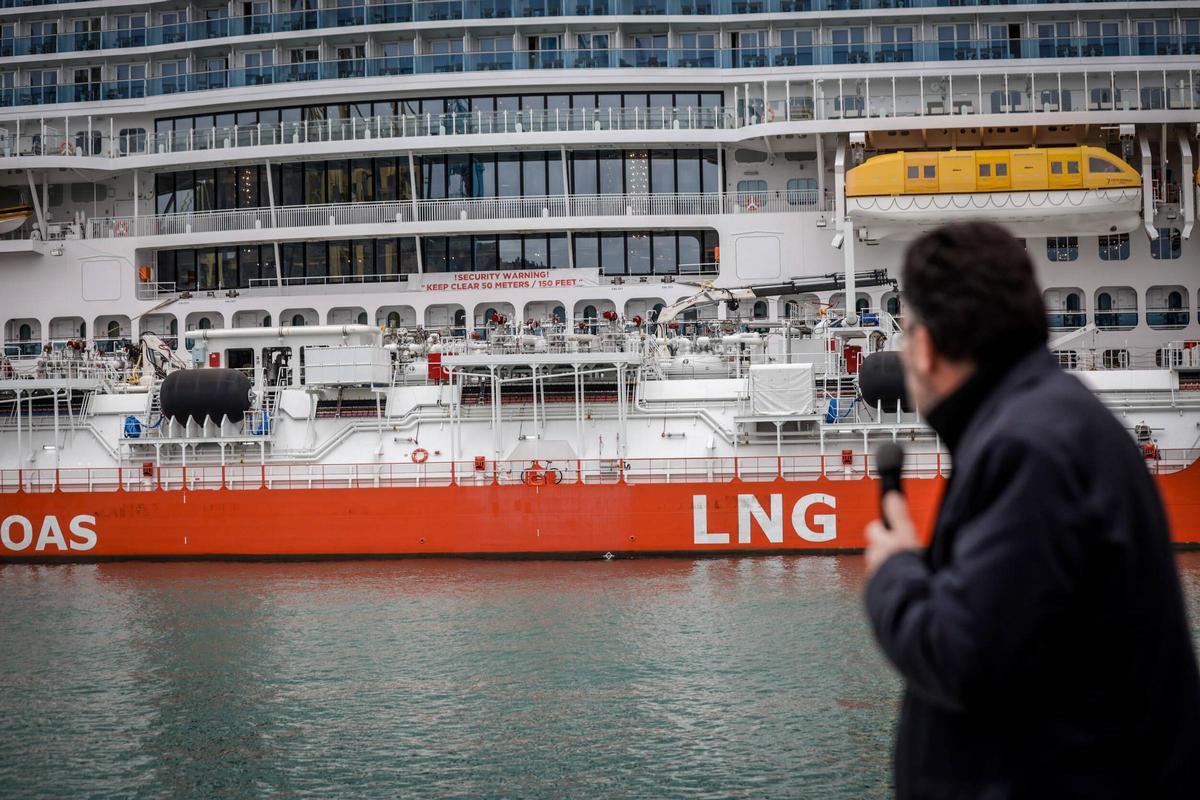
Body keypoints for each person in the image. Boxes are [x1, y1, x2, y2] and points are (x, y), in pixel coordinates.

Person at [863, 221, 1200, 798]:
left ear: (923, 346)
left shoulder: (1028, 448)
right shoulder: (1046, 421)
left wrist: (894, 572)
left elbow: (967, 659)